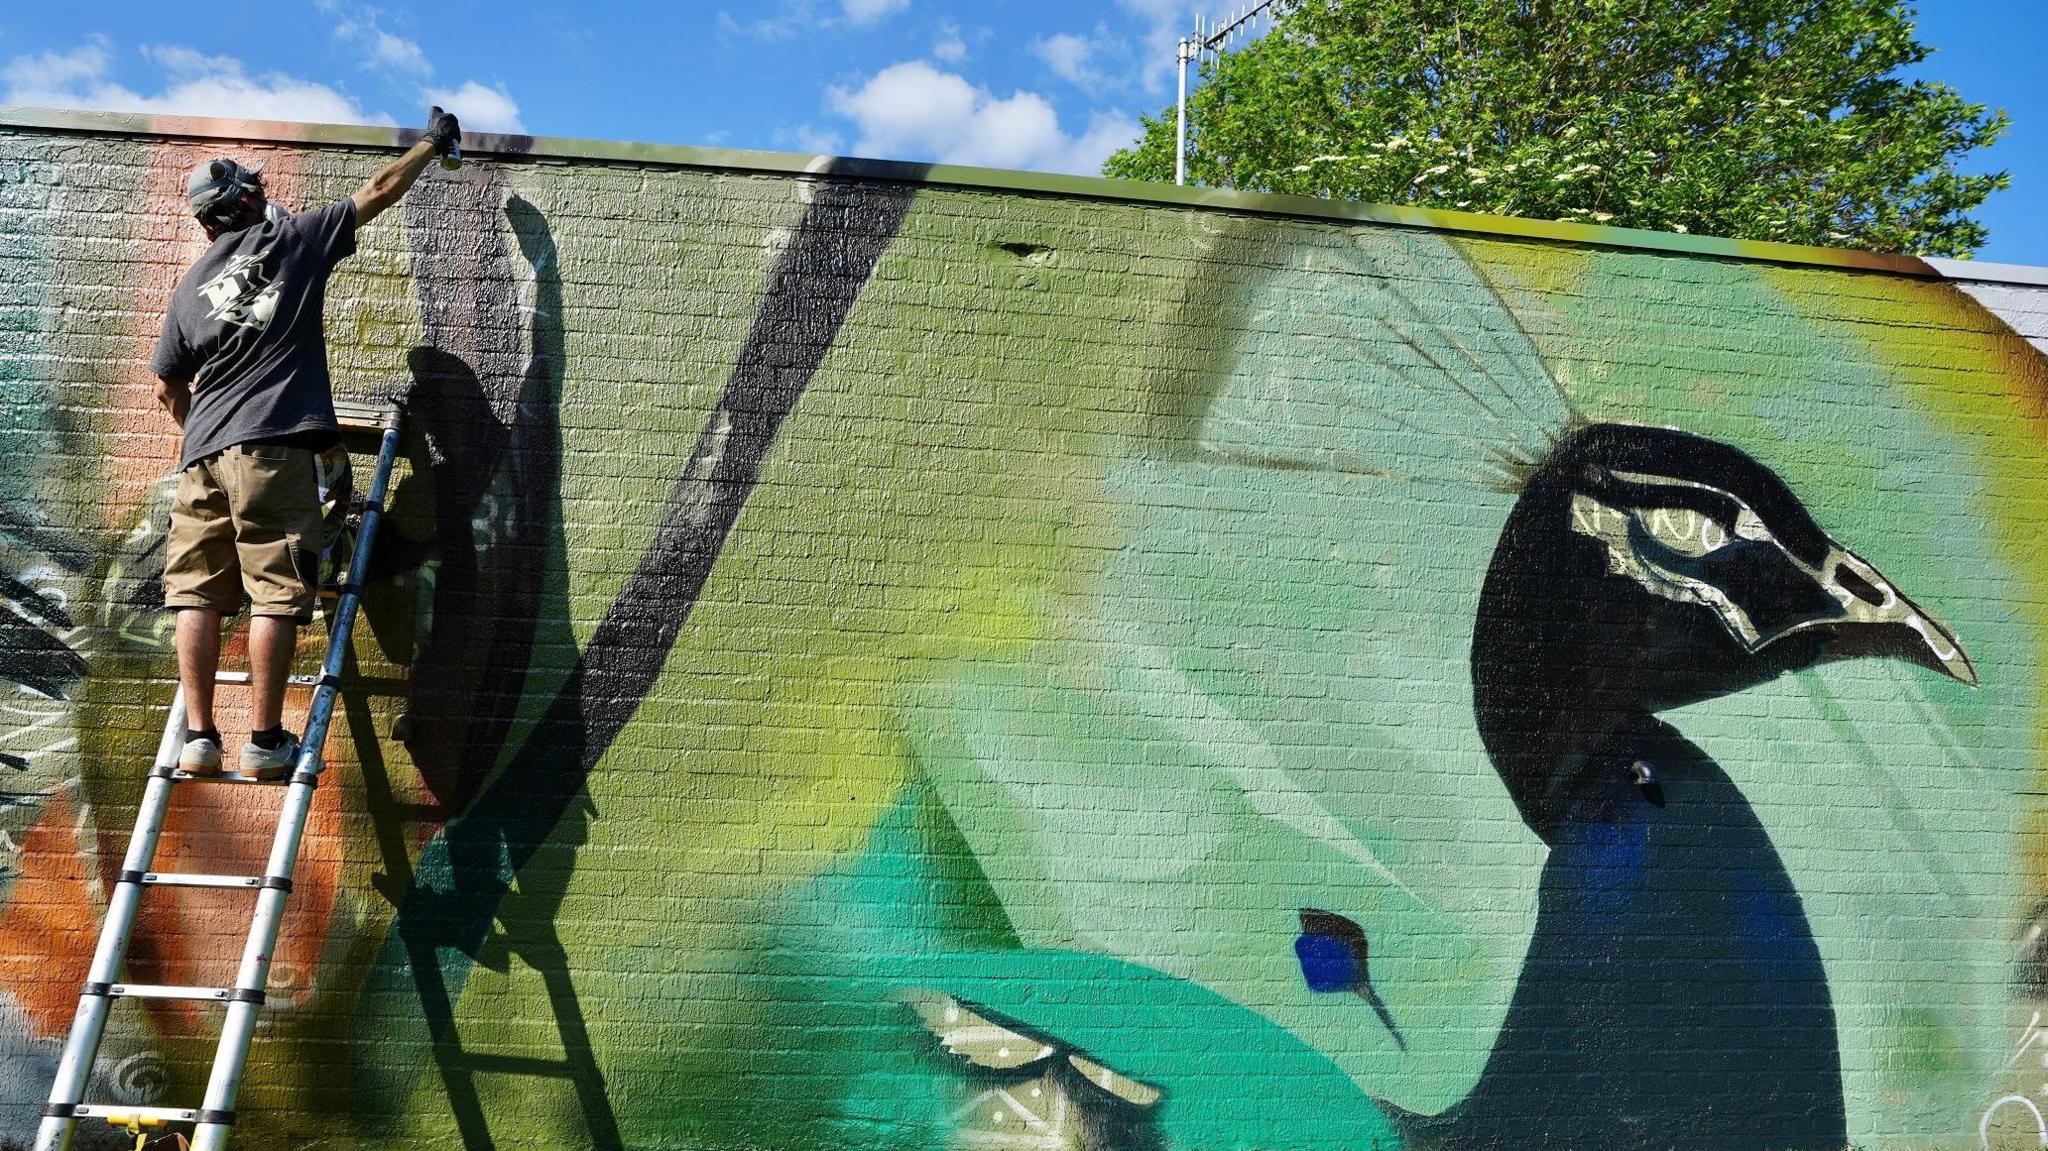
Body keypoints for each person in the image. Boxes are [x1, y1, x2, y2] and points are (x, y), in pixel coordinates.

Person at [150, 108, 460, 779]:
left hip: (202, 455)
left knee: (195, 594)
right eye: (256, 188)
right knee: (275, 592)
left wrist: (202, 433)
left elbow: (167, 386)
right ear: (247, 201)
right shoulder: (290, 240)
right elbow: (379, 190)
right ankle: (264, 738)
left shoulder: (188, 291)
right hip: (271, 446)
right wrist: (432, 143)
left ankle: (199, 736)